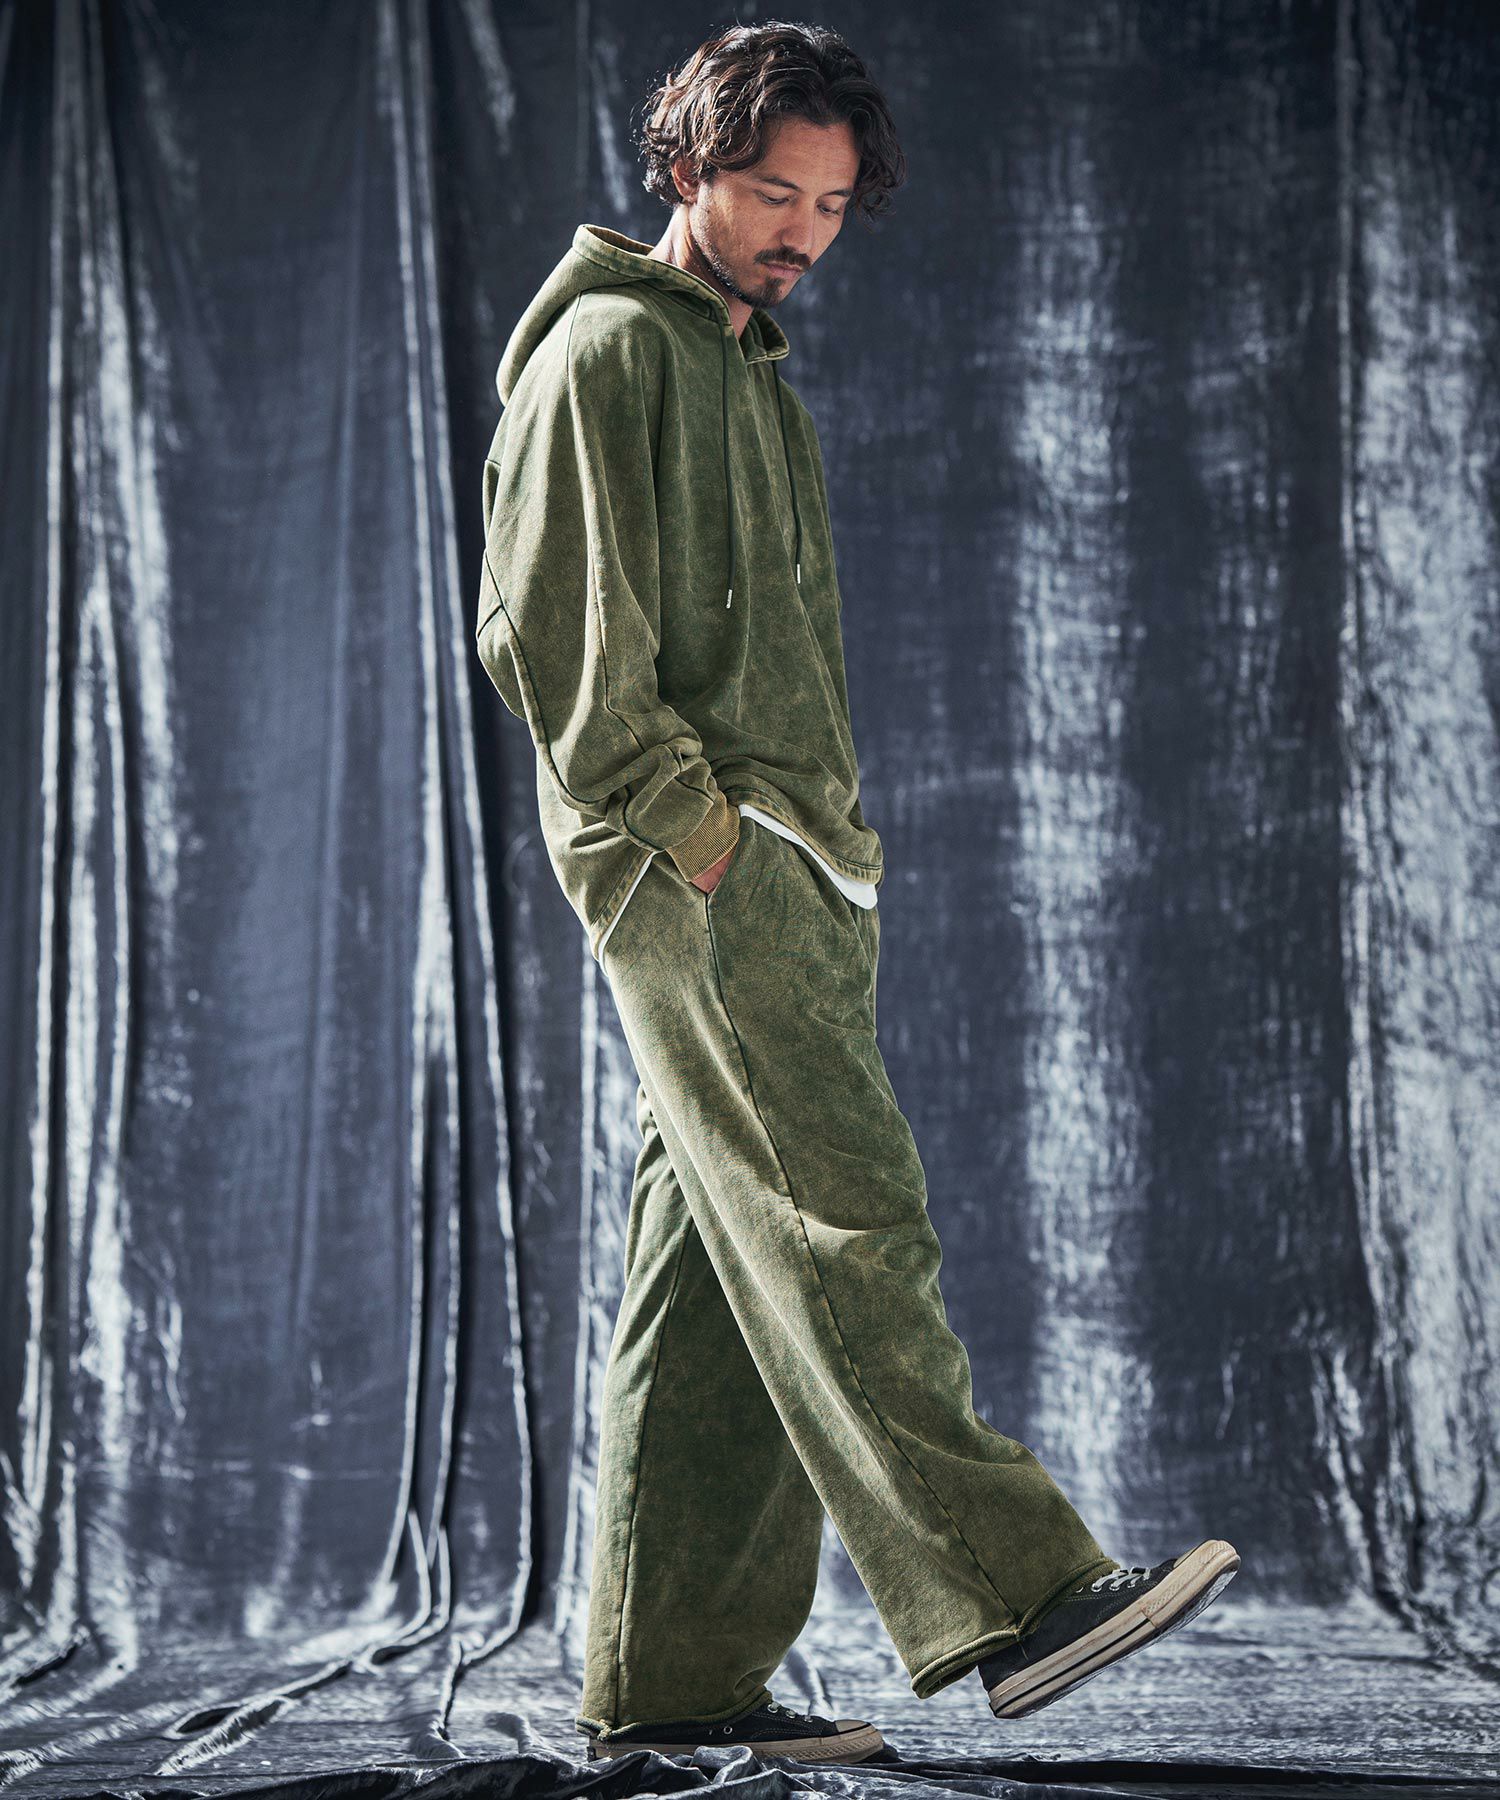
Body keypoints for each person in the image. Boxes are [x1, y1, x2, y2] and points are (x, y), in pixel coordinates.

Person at [475, 19, 1240, 1766]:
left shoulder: (743, 364)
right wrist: (703, 838)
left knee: (717, 1283)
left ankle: (669, 1690)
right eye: (770, 192)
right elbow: (553, 640)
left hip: (795, 872)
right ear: (685, 165)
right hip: (707, 876)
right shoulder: (608, 351)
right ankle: (1021, 1595)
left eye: (827, 205)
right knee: (845, 1222)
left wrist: (803, 856)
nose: (802, 231)